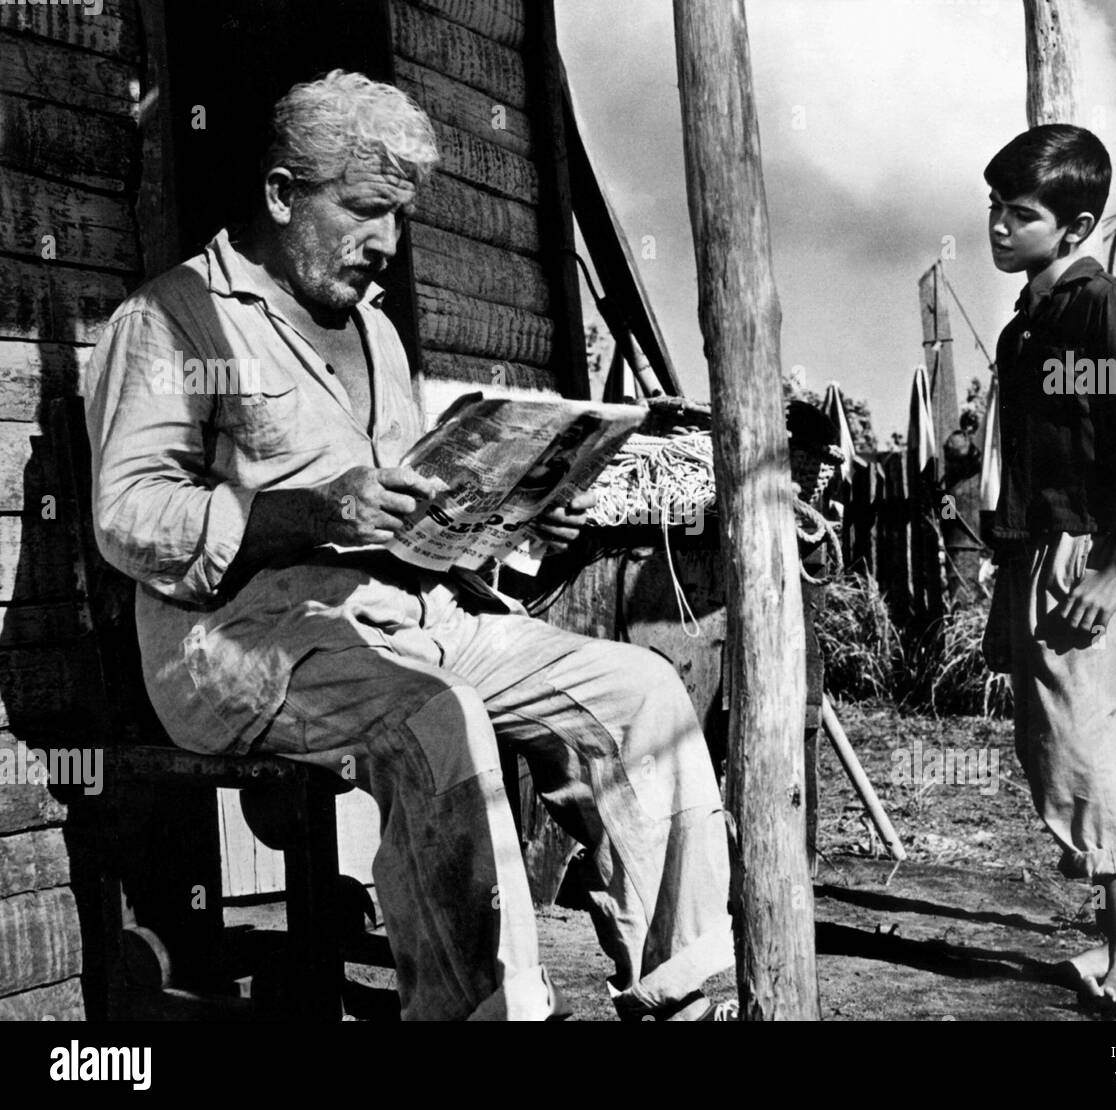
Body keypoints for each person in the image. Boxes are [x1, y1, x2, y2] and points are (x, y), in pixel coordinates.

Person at [84, 69, 734, 1021]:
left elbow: (407, 507)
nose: (386, 243)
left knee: (642, 692)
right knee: (439, 717)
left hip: (412, 616)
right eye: (366, 212)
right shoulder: (173, 320)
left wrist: (510, 523)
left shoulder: (377, 332)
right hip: (240, 644)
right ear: (280, 194)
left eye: (400, 215)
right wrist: (309, 513)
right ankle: (484, 1011)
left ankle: (680, 992)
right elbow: (129, 518)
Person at [980, 124, 1116, 1020]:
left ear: (1076, 224)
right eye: (994, 207)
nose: (997, 226)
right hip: (1036, 553)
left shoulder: (1104, 311)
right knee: (1058, 751)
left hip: (1087, 554)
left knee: (1097, 755)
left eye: (1020, 214)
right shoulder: (1033, 321)